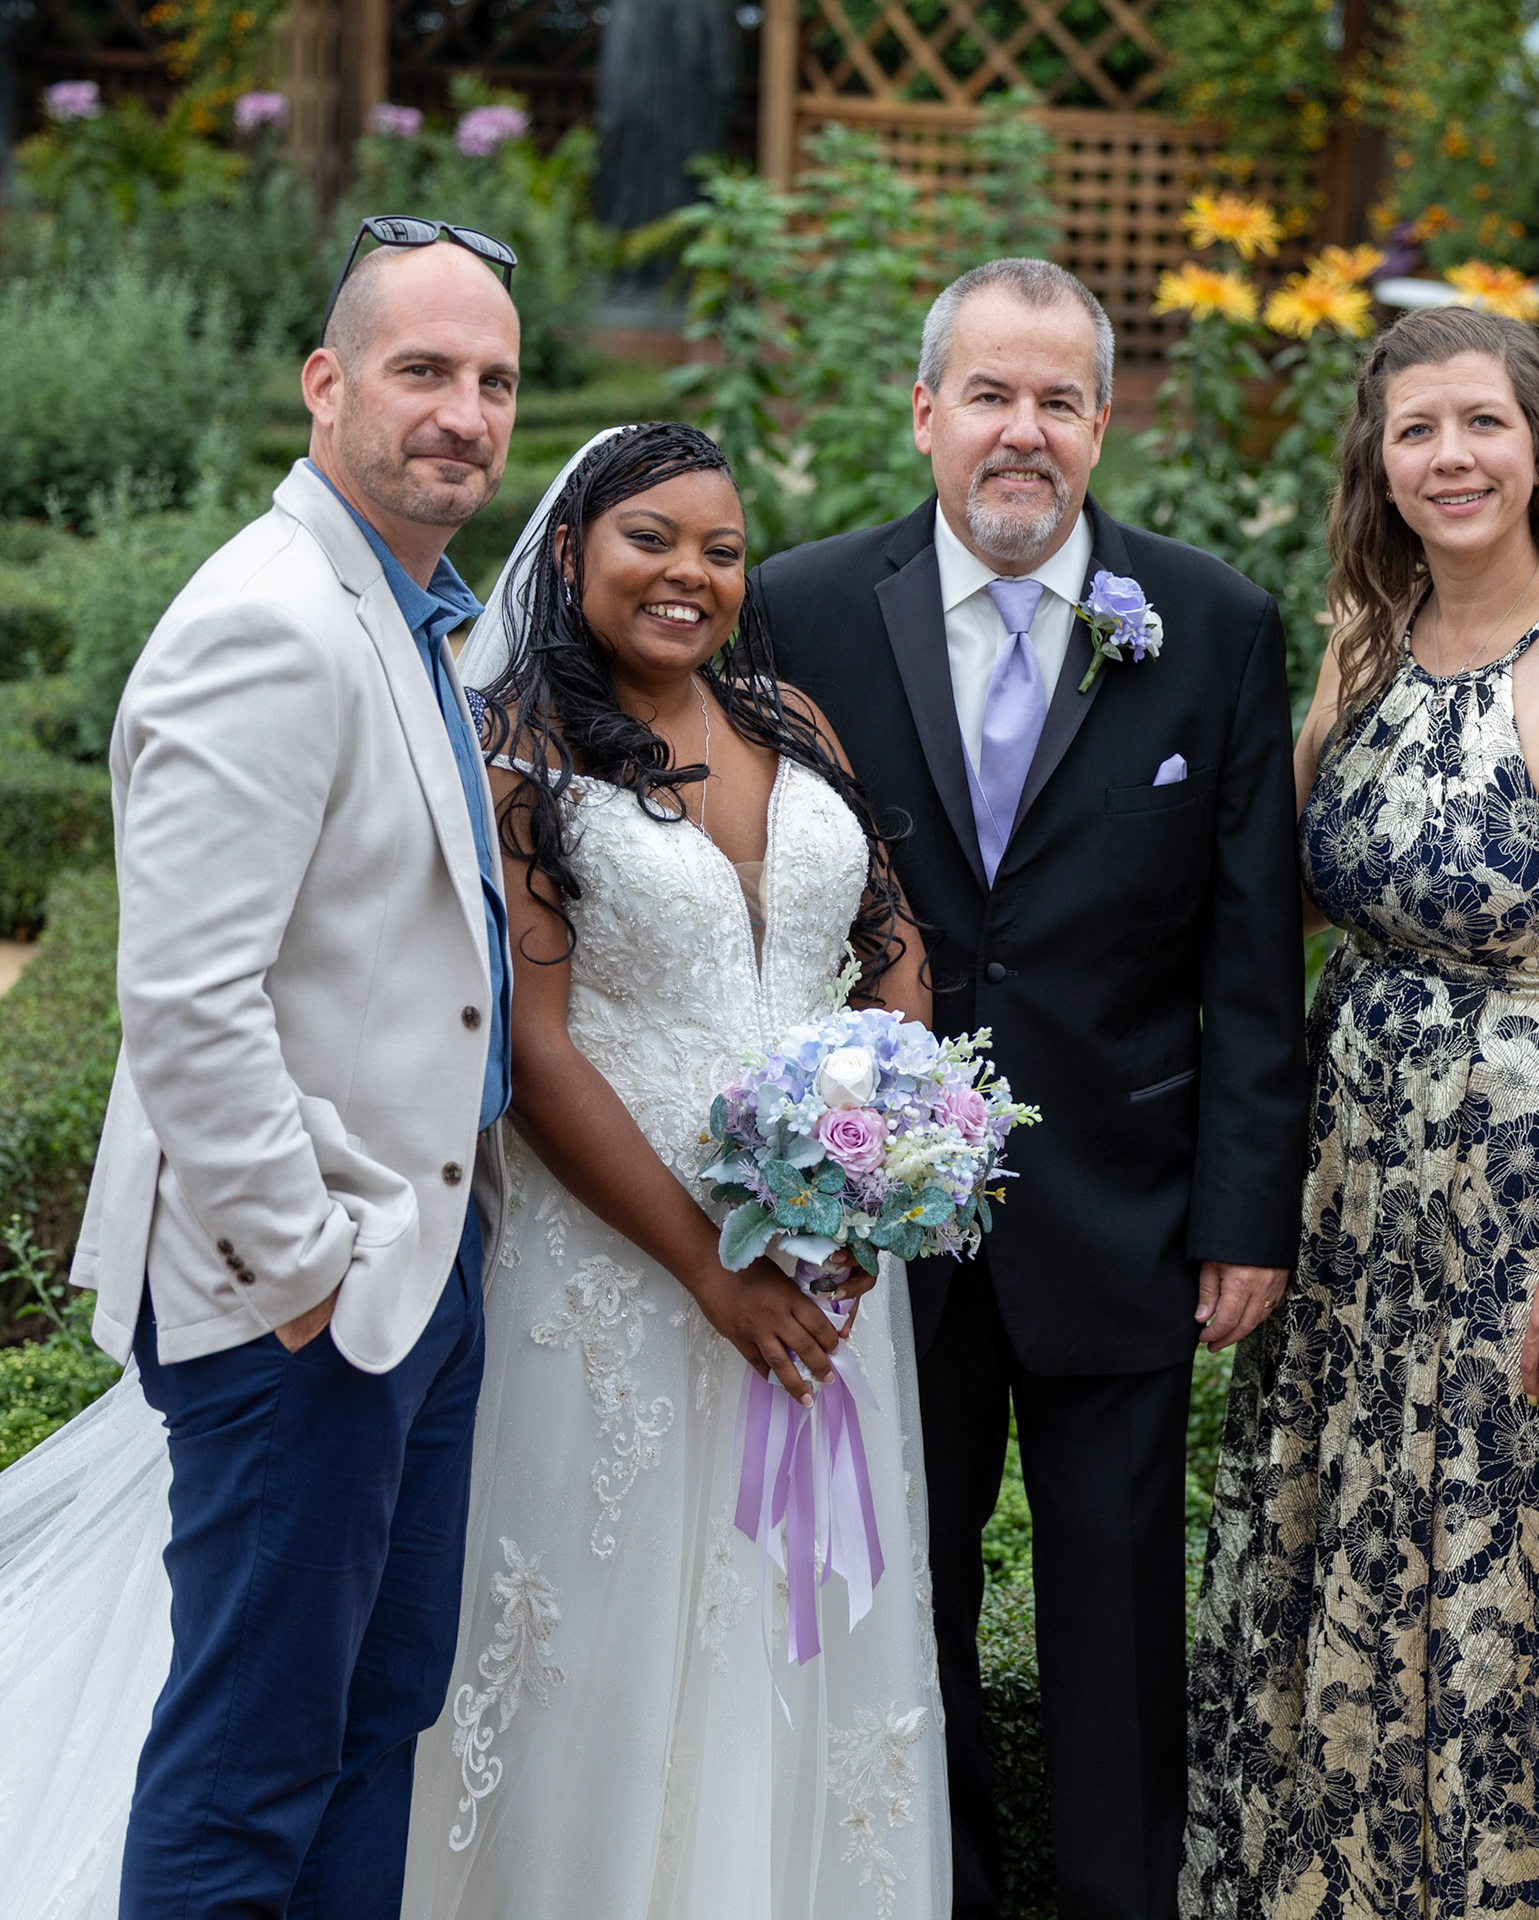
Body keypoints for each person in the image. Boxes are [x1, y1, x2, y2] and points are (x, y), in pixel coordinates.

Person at [758, 258, 1311, 1920]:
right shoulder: (796, 608)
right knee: (893, 1604)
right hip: (873, 1226)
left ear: (1103, 423)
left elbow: (1250, 958)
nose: (1023, 431)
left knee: (1118, 1614)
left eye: (1057, 400)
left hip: (1121, 1217)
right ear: (925, 411)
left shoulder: (1213, 625)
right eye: (990, 394)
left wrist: (1243, 1215)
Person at [1184, 306, 1539, 1920]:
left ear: (1538, 447)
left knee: (1531, 1555)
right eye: (1417, 428)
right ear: (1378, 460)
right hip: (1363, 1201)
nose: (1452, 457)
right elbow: (1291, 892)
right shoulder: (1363, 645)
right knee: (1365, 1540)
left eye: (1482, 423)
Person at [0, 226, 523, 1917]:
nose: (464, 412)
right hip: (307, 1292)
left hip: (418, 1268)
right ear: (326, 382)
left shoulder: (407, 613)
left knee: (373, 1722)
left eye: (493, 380)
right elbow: (186, 999)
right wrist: (306, 1273)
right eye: (421, 370)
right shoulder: (270, 622)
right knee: (249, 1769)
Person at [401, 422, 950, 1920]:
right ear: (572, 550)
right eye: (651, 539)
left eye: (721, 549)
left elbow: (891, 944)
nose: (689, 573)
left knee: (794, 1630)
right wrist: (712, 1269)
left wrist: (882, 1162)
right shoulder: (514, 747)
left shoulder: (789, 717)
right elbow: (532, 1047)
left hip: (824, 1272)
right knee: (610, 1624)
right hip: (616, 1278)